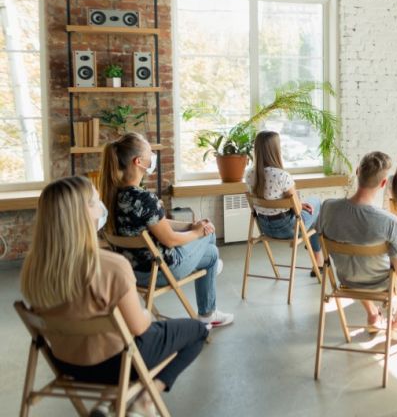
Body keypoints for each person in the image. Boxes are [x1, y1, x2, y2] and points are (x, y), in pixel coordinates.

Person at [20, 176, 208, 417]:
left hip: (67, 364)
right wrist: (145, 312)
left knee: (110, 336)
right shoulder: (110, 266)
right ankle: (143, 400)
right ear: (83, 213)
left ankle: (107, 403)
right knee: (197, 331)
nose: (102, 208)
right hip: (116, 365)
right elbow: (139, 328)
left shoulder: (34, 268)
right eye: (97, 202)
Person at [100, 133, 233, 327]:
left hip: (132, 271)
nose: (152, 156)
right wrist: (198, 231)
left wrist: (190, 226)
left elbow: (158, 223)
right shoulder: (145, 199)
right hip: (160, 270)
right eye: (149, 153)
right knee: (211, 244)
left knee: (207, 243)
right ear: (139, 161)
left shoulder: (113, 195)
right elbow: (170, 240)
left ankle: (210, 271)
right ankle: (207, 311)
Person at [316, 151, 397, 329]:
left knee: (358, 265)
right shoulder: (389, 222)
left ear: (357, 171)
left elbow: (319, 241)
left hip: (346, 279)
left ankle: (373, 315)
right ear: (383, 183)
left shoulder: (327, 208)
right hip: (382, 283)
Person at [245, 130, 323, 277]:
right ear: (275, 149)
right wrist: (300, 205)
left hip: (265, 229)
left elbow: (291, 204)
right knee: (317, 205)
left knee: (311, 212)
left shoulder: (249, 174)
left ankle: (317, 262)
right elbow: (296, 208)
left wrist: (300, 205)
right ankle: (318, 262)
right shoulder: (282, 176)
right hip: (289, 230)